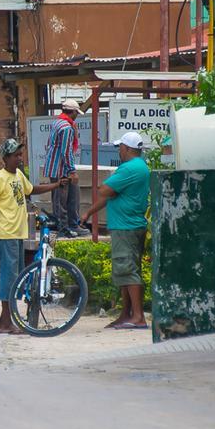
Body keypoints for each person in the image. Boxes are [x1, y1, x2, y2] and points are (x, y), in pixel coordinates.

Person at [0, 139, 67, 334]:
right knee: (9, 278)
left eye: (20, 155)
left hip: (18, 233)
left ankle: (3, 323)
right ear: (5, 158)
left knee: (17, 277)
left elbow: (31, 190)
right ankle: (8, 321)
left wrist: (55, 185)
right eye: (16, 155)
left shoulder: (19, 175)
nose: (20, 158)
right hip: (6, 234)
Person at [81, 132, 151, 330]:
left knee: (127, 270)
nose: (118, 150)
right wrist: (88, 213)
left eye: (120, 147)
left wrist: (101, 186)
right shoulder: (140, 167)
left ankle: (138, 316)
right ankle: (125, 314)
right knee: (124, 271)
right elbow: (109, 195)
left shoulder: (129, 168)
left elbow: (103, 190)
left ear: (127, 149)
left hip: (126, 226)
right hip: (129, 225)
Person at [43, 97, 87, 237]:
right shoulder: (67, 127)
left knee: (68, 196)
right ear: (72, 112)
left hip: (56, 167)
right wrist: (72, 171)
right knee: (62, 200)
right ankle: (64, 227)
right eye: (76, 113)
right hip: (61, 169)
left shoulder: (58, 122)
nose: (76, 117)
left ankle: (71, 224)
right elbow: (66, 151)